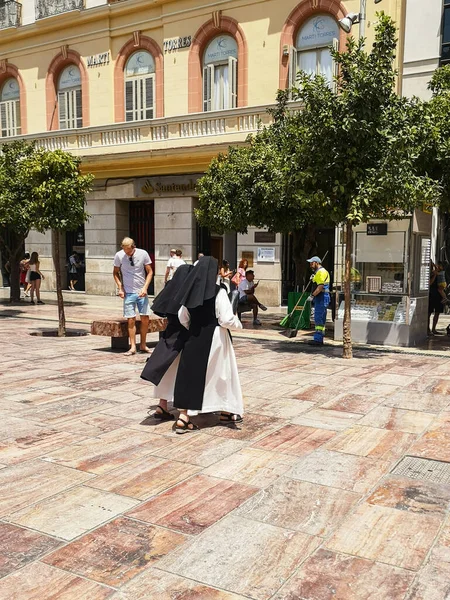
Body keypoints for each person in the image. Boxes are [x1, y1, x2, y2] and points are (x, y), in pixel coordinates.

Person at [172, 256, 244, 433]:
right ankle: (226, 411)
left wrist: (195, 326)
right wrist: (238, 324)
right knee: (222, 374)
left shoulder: (189, 291)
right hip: (216, 337)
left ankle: (183, 416)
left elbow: (183, 317)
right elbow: (226, 319)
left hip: (194, 336)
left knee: (190, 375)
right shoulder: (218, 292)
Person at [140, 264, 194, 420]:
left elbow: (159, 308)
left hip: (168, 335)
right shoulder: (187, 290)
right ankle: (184, 410)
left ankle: (162, 405)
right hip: (182, 337)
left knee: (166, 372)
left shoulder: (172, 287)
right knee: (181, 373)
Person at [113, 237, 153, 356]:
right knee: (131, 319)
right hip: (128, 292)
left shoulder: (143, 254)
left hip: (141, 291)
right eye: (125, 251)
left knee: (145, 318)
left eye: (129, 251)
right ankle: (133, 347)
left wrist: (145, 287)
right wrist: (120, 287)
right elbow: (115, 272)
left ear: (133, 247)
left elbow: (150, 272)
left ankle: (143, 344)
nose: (127, 253)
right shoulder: (119, 256)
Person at [307, 255, 330, 346]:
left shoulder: (321, 272)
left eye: (312, 263)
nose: (310, 265)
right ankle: (320, 337)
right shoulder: (318, 272)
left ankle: (318, 339)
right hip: (321, 297)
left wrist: (312, 295)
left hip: (321, 297)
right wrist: (313, 278)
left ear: (317, 263)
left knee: (318, 318)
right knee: (321, 318)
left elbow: (320, 287)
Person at [428, 262, 447, 335]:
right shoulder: (432, 274)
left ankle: (433, 329)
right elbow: (430, 283)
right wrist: (435, 275)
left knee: (437, 313)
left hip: (439, 296)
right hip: (432, 295)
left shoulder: (441, 274)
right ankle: (428, 329)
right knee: (429, 313)